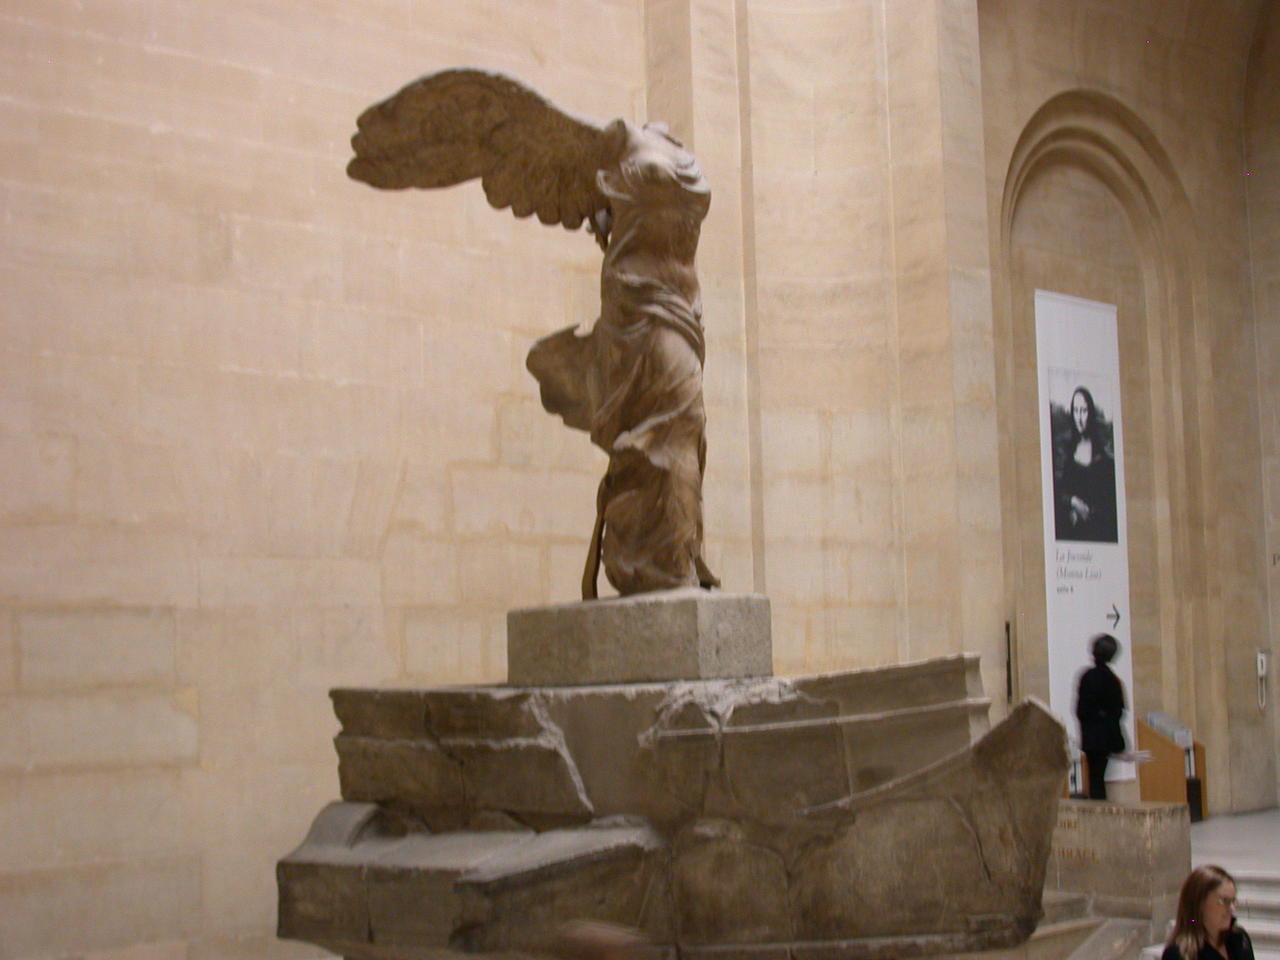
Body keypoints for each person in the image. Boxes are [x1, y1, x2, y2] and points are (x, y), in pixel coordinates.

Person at [1054, 385, 1118, 542]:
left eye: (1083, 411)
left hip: (1096, 530)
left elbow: (1109, 501)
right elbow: (1056, 490)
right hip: (1070, 530)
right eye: (1076, 411)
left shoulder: (1103, 456)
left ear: (1091, 413)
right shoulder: (1064, 449)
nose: (1079, 418)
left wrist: (1091, 513)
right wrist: (1072, 502)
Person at [1162, 865, 1255, 960]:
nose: (1232, 908)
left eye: (1233, 901)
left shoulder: (1239, 938)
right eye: (1224, 901)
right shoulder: (1178, 954)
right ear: (1200, 903)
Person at [1075, 633, 1125, 800]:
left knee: (1095, 777)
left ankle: (1098, 804)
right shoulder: (1112, 680)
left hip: (1091, 736)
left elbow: (1081, 710)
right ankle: (1099, 804)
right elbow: (1117, 711)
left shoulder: (1087, 677)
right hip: (1105, 736)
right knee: (1098, 777)